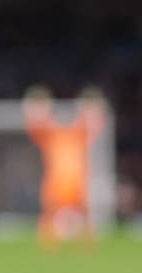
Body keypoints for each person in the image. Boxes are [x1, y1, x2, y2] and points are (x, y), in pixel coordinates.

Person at [23, 86, 105, 249]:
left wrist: (92, 109)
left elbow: (96, 125)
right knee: (50, 215)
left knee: (84, 215)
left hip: (78, 182)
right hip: (56, 182)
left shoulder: (79, 132)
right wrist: (35, 109)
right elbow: (34, 127)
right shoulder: (50, 132)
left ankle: (86, 248)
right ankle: (50, 249)